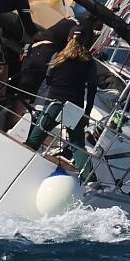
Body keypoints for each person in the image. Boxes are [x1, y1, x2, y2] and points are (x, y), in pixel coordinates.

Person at [25, 30, 98, 166]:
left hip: (54, 104)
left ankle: (22, 160)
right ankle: (89, 178)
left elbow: (48, 79)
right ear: (86, 42)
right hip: (74, 107)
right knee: (77, 145)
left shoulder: (59, 56)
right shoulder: (90, 62)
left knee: (35, 138)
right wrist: (86, 113)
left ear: (69, 37)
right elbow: (92, 89)